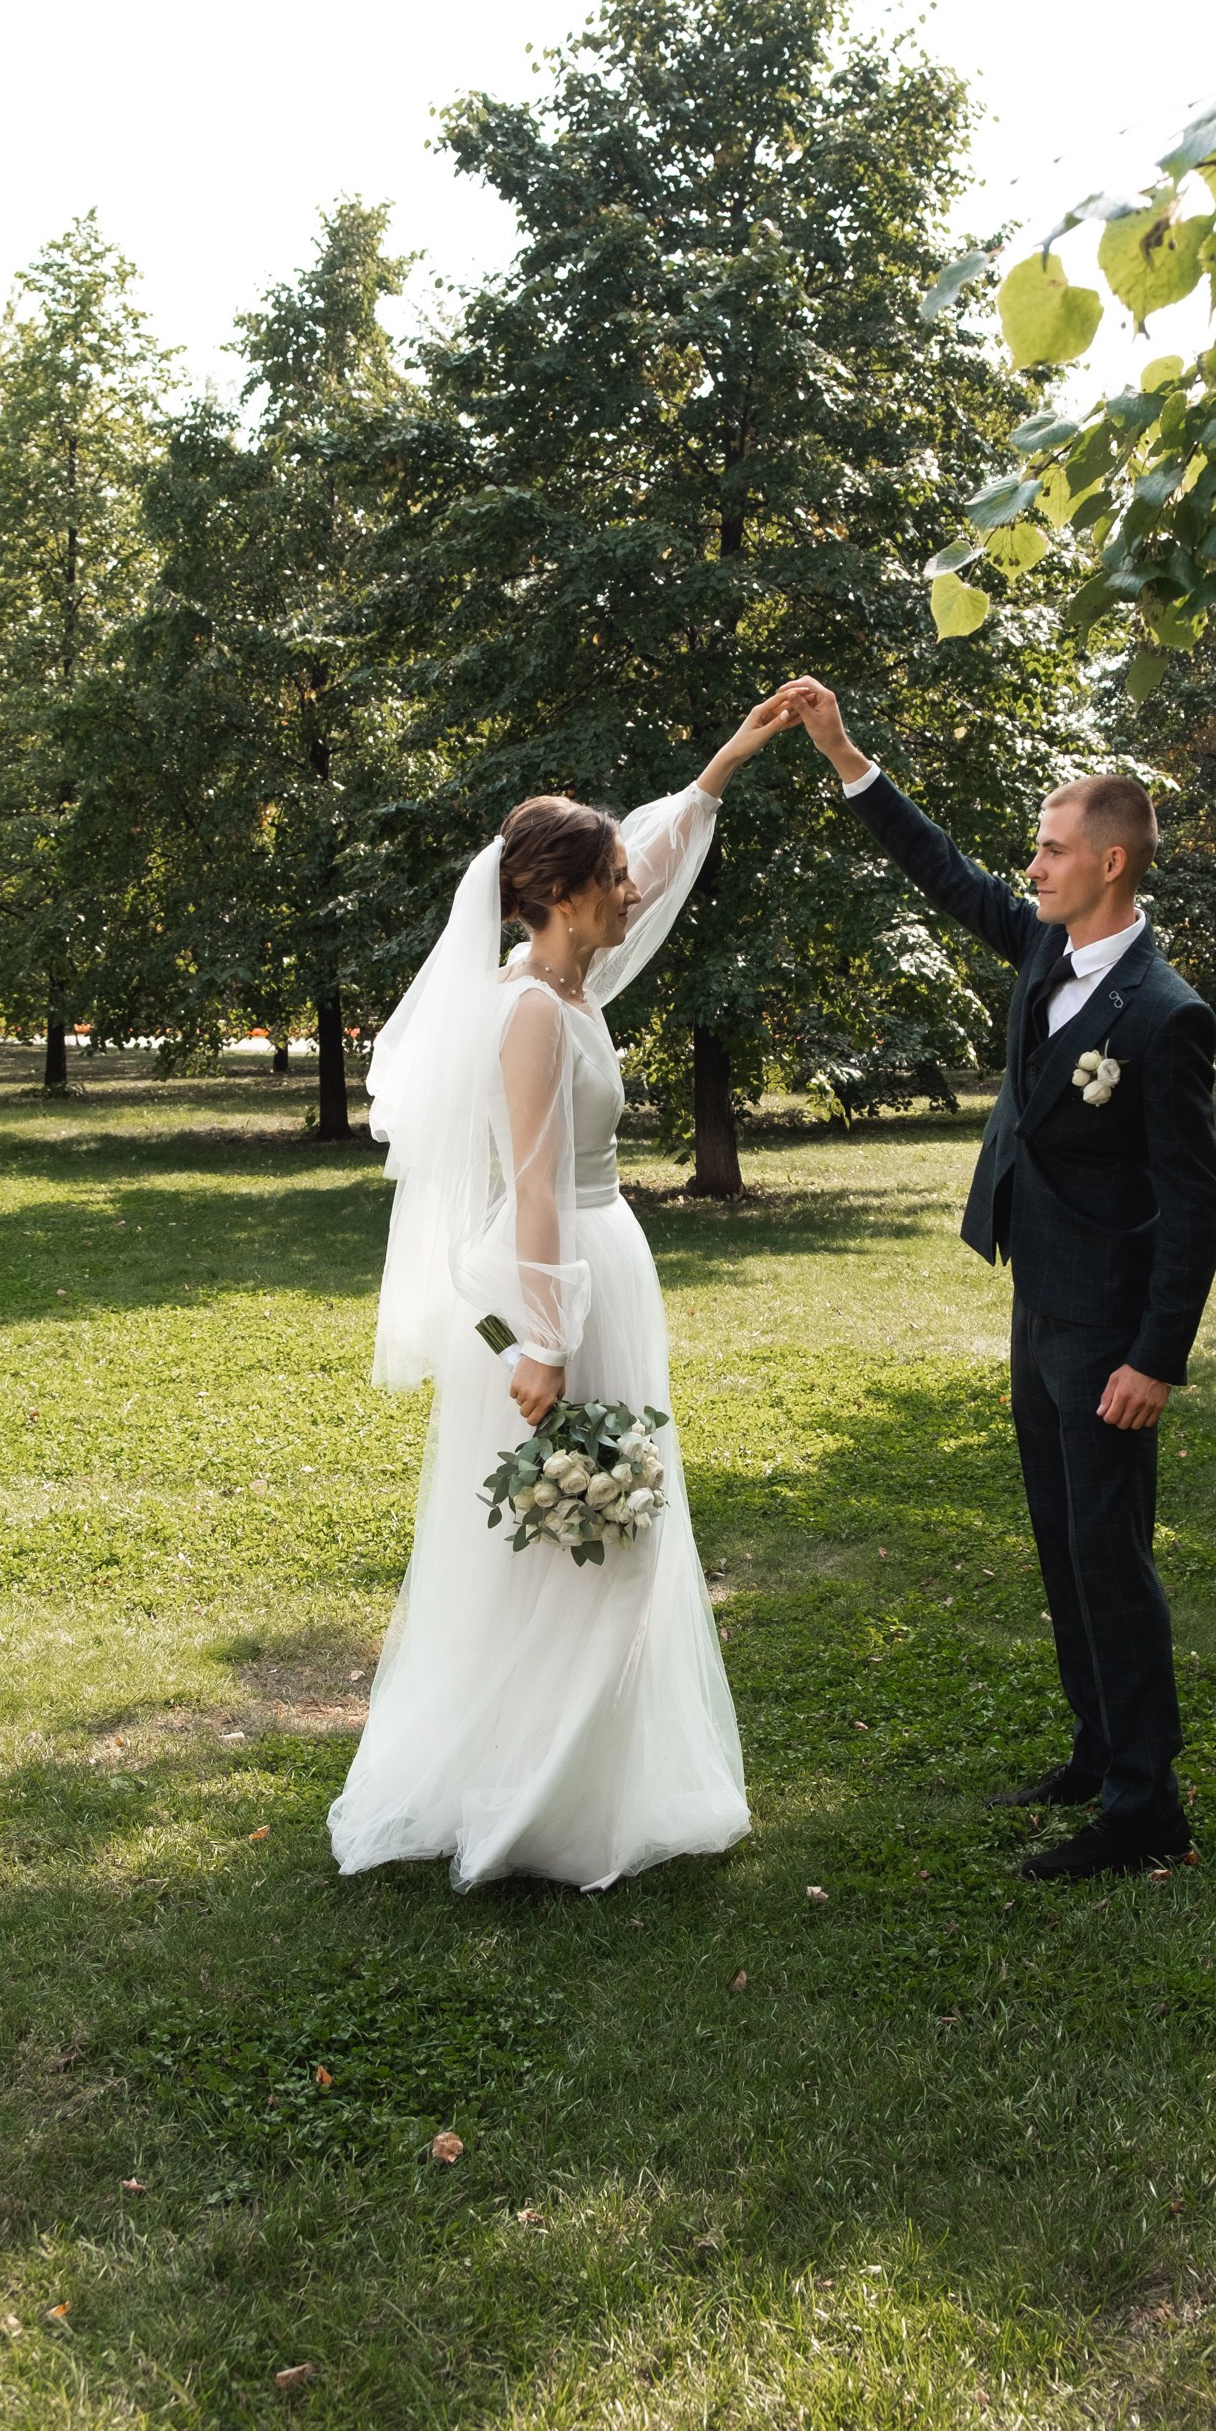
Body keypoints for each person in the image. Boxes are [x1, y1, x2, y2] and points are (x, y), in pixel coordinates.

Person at [327, 699, 794, 1893]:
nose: (630, 889)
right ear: (563, 892)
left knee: (611, 1529)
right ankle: (530, 1796)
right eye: (612, 878)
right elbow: (532, 1190)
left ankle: (590, 1776)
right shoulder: (528, 1009)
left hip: (602, 1270)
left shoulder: (574, 980)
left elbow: (661, 852)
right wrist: (543, 1340)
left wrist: (725, 762)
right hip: (555, 1284)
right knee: (570, 1540)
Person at [774, 675, 1216, 1880]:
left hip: (1106, 1330)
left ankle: (1146, 1809)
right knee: (1059, 1540)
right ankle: (1096, 1749)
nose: (1028, 867)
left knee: (1108, 1553)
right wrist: (842, 753)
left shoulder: (1162, 1016)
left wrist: (1151, 1357)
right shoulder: (1045, 944)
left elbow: (1195, 1203)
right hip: (1040, 1299)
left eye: (1049, 848)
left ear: (1111, 865)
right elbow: (943, 876)